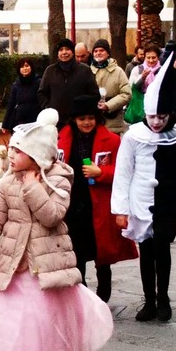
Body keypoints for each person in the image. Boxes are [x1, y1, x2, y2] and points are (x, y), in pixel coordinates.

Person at [0, 108, 113, 351]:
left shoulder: (60, 177)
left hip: (46, 265)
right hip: (15, 266)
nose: (11, 155)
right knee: (12, 322)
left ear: (36, 155)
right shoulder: (8, 182)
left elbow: (52, 215)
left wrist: (32, 186)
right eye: (11, 149)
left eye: (18, 151)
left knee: (43, 322)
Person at [112, 56, 176, 322]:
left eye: (162, 117)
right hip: (140, 199)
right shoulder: (133, 136)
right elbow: (123, 173)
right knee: (146, 249)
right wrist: (120, 209)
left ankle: (163, 297)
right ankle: (148, 299)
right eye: (152, 116)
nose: (156, 122)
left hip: (168, 201)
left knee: (163, 247)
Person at [57, 95, 137, 303]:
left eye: (91, 118)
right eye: (82, 118)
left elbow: (124, 172)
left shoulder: (112, 140)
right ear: (74, 120)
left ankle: (103, 292)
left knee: (101, 251)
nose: (86, 122)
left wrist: (101, 172)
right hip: (72, 203)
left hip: (99, 204)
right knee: (76, 251)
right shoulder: (61, 140)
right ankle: (81, 295)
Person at [38, 38, 100, 127]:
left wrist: (83, 110)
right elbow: (42, 93)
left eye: (67, 49)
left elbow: (94, 94)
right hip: (56, 122)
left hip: (78, 122)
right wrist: (48, 108)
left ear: (72, 52)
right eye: (61, 50)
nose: (64, 52)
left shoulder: (84, 70)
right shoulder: (50, 71)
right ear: (57, 53)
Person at [88, 38, 131, 135]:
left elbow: (127, 94)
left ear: (108, 53)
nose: (98, 53)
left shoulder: (118, 72)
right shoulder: (88, 72)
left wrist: (108, 105)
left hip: (113, 126)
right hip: (93, 125)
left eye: (101, 50)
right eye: (95, 51)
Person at [1, 58, 41, 134]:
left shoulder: (39, 82)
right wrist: (5, 124)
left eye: (27, 66)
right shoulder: (16, 85)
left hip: (35, 120)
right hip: (19, 120)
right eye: (22, 67)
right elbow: (11, 105)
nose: (24, 68)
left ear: (31, 67)